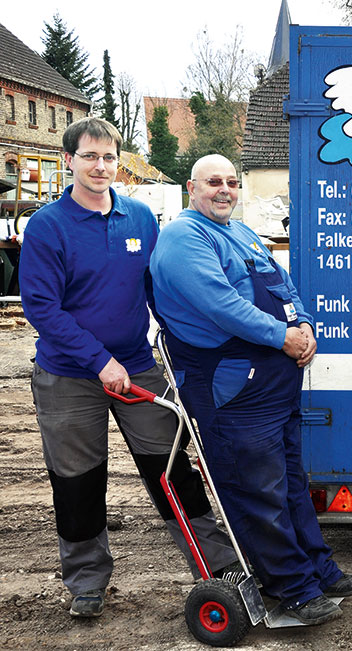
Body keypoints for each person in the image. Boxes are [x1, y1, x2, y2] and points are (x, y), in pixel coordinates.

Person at [19, 117, 238, 618]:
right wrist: (99, 361)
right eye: (90, 156)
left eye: (109, 157)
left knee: (171, 466)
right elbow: (41, 308)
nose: (101, 166)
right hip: (68, 375)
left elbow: (156, 290)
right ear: (69, 160)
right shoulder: (48, 227)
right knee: (78, 479)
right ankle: (87, 583)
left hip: (136, 366)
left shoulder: (140, 219)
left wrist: (183, 343)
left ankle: (217, 563)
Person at [149, 154, 352, 626]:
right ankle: (290, 590)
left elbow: (285, 286)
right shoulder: (184, 238)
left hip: (273, 384)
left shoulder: (243, 232)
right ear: (192, 187)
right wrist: (283, 337)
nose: (225, 189)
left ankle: (317, 570)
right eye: (213, 182)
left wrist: (305, 324)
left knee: (291, 484)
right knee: (257, 493)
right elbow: (221, 305)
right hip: (232, 392)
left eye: (231, 181)